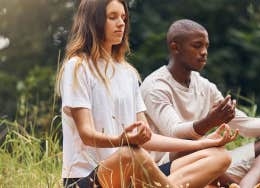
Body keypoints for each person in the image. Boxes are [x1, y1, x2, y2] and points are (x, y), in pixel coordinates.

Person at [56, 3, 239, 188]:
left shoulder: (128, 73)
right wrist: (122, 140)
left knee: (219, 155)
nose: (121, 23)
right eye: (112, 17)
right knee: (130, 154)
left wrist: (204, 143)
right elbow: (87, 135)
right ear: (93, 21)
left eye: (123, 18)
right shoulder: (78, 67)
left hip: (133, 177)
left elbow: (147, 137)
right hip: (88, 179)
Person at [140, 19, 260, 188]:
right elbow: (174, 133)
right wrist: (208, 123)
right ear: (175, 47)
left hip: (210, 160)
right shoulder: (155, 86)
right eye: (197, 46)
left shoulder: (203, 86)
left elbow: (244, 124)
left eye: (206, 46)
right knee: (194, 146)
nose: (204, 52)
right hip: (168, 170)